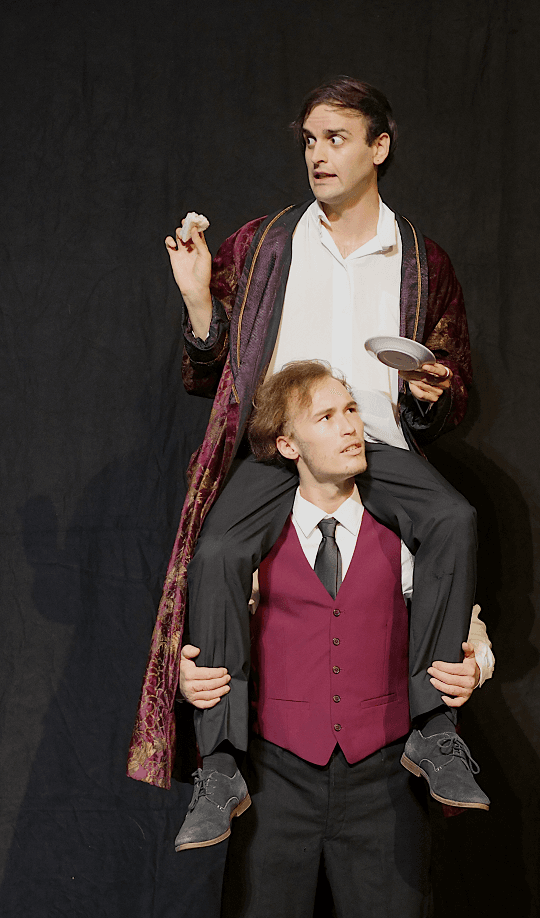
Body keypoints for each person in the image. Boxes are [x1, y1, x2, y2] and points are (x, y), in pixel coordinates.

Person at [127, 78, 479, 812]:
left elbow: (455, 387)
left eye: (337, 139)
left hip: (375, 447)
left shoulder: (421, 261)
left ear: (379, 147)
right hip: (280, 451)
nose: (318, 154)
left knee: (454, 518)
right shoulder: (263, 246)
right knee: (218, 553)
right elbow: (206, 373)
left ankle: (434, 729)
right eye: (311, 141)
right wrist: (198, 299)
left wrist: (430, 394)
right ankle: (220, 762)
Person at [179, 363, 493, 917]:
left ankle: (435, 737)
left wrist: (477, 663)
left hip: (385, 779)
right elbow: (208, 621)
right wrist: (187, 677)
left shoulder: (404, 531)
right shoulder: (249, 542)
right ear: (289, 445)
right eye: (326, 417)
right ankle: (219, 767)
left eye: (351, 410)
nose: (350, 426)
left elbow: (460, 614)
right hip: (276, 780)